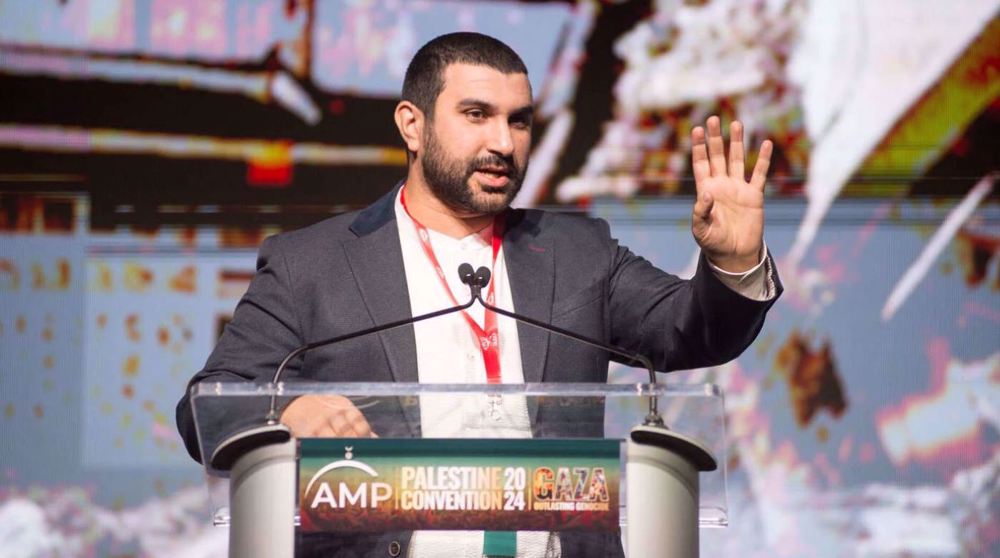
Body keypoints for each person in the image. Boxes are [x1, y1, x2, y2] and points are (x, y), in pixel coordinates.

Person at [176, 32, 780, 558]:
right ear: (412, 125)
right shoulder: (313, 264)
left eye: (519, 120)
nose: (504, 142)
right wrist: (284, 413)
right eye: (476, 114)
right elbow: (208, 403)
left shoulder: (576, 251)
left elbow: (691, 330)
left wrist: (732, 261)